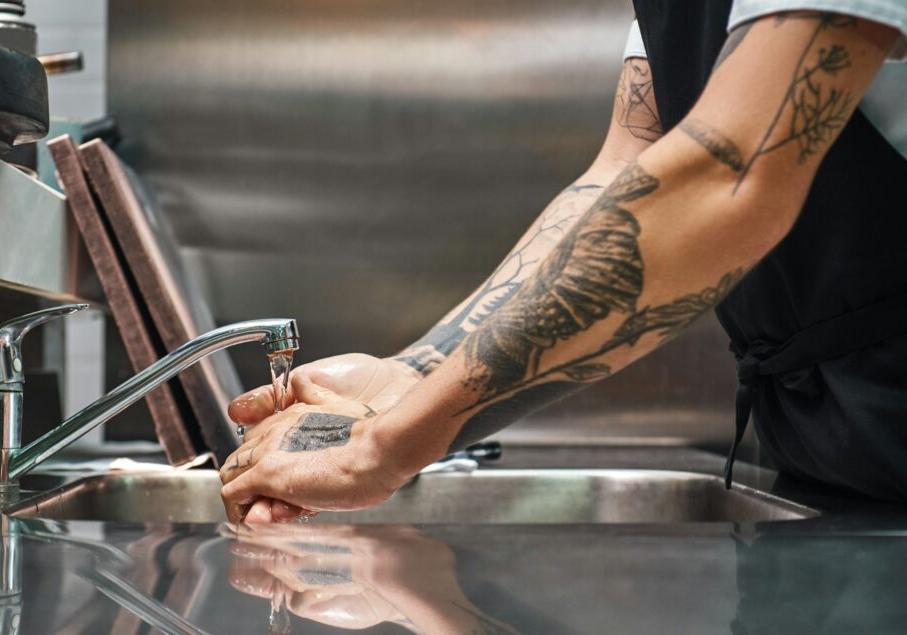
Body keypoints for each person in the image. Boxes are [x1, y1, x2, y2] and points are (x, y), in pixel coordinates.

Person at [221, 0, 907, 523]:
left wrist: (388, 447)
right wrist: (412, 375)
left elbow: (724, 174)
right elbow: (629, 170)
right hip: (829, 451)